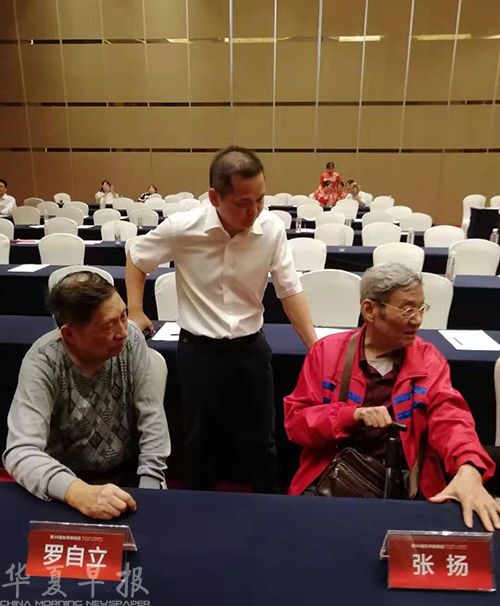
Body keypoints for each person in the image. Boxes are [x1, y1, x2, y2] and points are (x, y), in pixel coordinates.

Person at [126, 145, 317, 493]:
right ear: (215, 197)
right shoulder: (183, 228)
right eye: (243, 203)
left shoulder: (271, 229)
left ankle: (268, 508)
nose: (254, 210)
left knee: (263, 441)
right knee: (199, 442)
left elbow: (289, 291)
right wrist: (136, 310)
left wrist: (315, 349)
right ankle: (199, 513)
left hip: (250, 349)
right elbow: (137, 257)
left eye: (260, 199)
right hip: (199, 351)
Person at [284, 263, 500, 531]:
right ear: (370, 310)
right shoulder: (327, 353)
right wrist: (350, 415)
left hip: (407, 486)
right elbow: (297, 423)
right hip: (334, 482)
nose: (417, 320)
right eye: (407, 309)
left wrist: (468, 466)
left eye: (421, 308)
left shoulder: (428, 360)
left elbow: (451, 419)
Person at [3, 271, 170, 520]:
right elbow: (20, 451)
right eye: (108, 325)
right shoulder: (44, 361)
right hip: (66, 485)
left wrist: (149, 489)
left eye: (123, 316)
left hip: (129, 477)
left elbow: (152, 418)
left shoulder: (131, 339)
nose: (122, 332)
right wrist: (77, 491)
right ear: (69, 334)